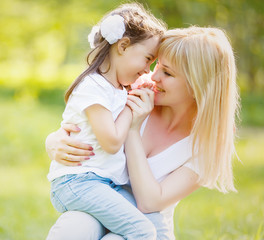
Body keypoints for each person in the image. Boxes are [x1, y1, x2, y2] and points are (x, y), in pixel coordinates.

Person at [45, 26, 239, 240]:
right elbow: (83, 122)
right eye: (156, 65)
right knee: (75, 226)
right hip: (99, 207)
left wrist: (133, 130)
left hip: (148, 228)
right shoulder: (133, 91)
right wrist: (53, 141)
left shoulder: (209, 141)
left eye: (168, 73)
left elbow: (149, 202)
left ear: (198, 87)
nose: (153, 76)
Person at [47, 3, 167, 240]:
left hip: (102, 184)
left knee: (151, 222)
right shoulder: (93, 86)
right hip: (78, 182)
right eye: (147, 59)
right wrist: (130, 110)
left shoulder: (117, 88)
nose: (147, 70)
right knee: (142, 231)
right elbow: (111, 142)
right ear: (123, 46)